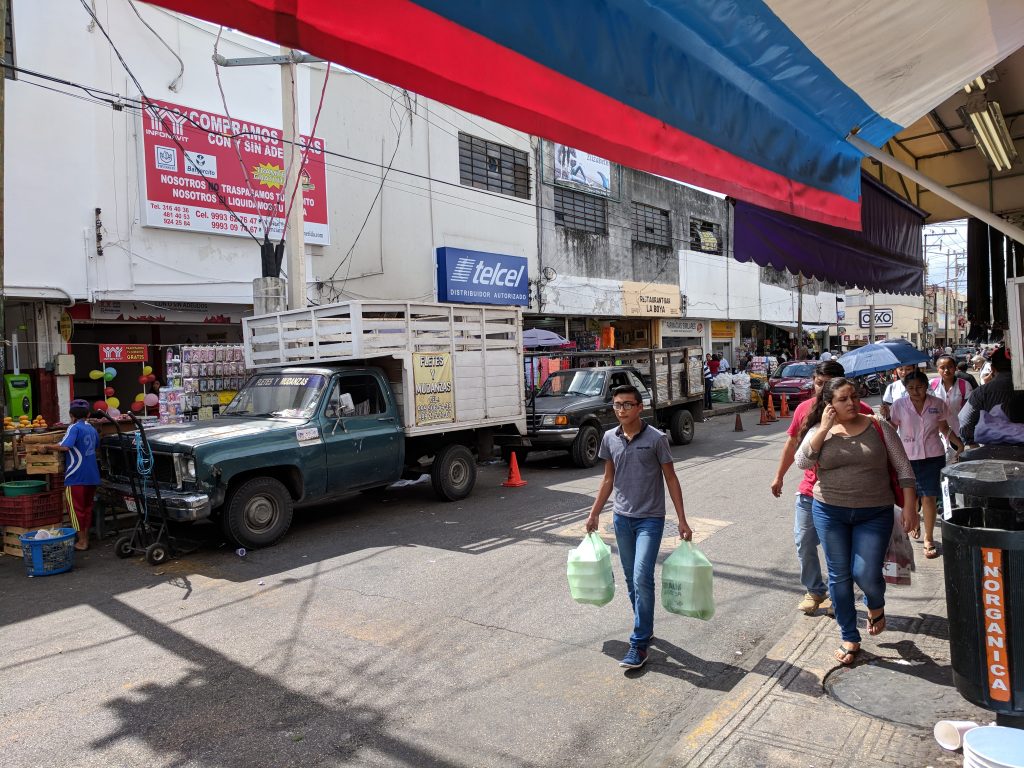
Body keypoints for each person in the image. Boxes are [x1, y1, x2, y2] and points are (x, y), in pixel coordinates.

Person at [796, 378, 918, 665]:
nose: (851, 403)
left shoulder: (878, 425)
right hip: (829, 512)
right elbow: (802, 462)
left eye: (853, 396)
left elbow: (904, 468)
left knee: (866, 573)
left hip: (874, 512)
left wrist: (910, 507)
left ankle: (875, 604)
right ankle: (849, 635)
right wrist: (824, 429)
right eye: (842, 399)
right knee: (839, 576)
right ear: (829, 405)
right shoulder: (819, 431)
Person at [586, 385, 692, 669]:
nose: (621, 410)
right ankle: (644, 624)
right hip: (621, 519)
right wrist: (594, 513)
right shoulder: (610, 437)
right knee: (631, 579)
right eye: (617, 405)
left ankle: (639, 643)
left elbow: (671, 479)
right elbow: (608, 479)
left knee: (642, 576)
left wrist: (682, 519)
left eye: (627, 405)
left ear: (639, 407)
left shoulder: (657, 439)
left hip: (650, 520)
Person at [771, 360, 875, 615]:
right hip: (810, 490)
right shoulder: (804, 409)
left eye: (827, 385)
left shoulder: (860, 410)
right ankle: (815, 590)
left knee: (841, 551)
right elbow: (793, 446)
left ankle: (840, 597)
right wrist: (779, 476)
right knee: (804, 541)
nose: (821, 390)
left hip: (846, 494)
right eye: (818, 384)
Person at [889, 370, 964, 559]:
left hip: (933, 456)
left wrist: (958, 443)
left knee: (929, 497)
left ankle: (929, 538)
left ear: (927, 386)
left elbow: (944, 428)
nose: (915, 391)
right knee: (911, 497)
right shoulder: (898, 405)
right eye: (911, 388)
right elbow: (892, 429)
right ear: (906, 389)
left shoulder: (937, 404)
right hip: (906, 458)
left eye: (919, 387)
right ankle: (914, 521)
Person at [38, 399, 101, 551]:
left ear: (71, 415)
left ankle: (82, 542)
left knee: (75, 510)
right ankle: (85, 539)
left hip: (76, 476)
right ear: (88, 414)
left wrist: (46, 446)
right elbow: (97, 446)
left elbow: (65, 446)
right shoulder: (92, 429)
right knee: (87, 508)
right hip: (92, 476)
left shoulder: (74, 427)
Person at [961, 346, 1015, 445]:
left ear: (992, 368)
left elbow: (965, 421)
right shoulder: (982, 392)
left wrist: (972, 443)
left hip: (993, 448)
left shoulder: (982, 392)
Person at [931, 354, 972, 460]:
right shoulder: (931, 385)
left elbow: (970, 409)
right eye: (942, 367)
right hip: (936, 432)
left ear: (955, 368)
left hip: (958, 430)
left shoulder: (964, 385)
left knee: (957, 460)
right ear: (937, 369)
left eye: (950, 367)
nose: (946, 370)